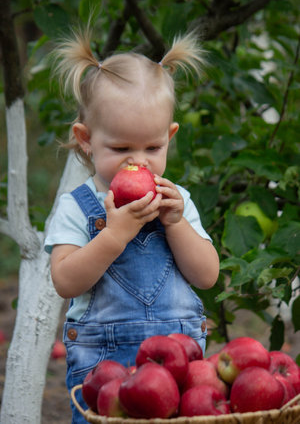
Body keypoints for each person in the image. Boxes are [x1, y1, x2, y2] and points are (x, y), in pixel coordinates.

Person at [45, 26, 219, 423]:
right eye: (120, 148)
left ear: (170, 137)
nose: (136, 161)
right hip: (104, 379)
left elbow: (207, 275)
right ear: (86, 139)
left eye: (152, 148)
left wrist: (176, 224)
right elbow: (66, 281)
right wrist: (114, 235)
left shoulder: (177, 201)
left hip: (176, 376)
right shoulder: (77, 207)